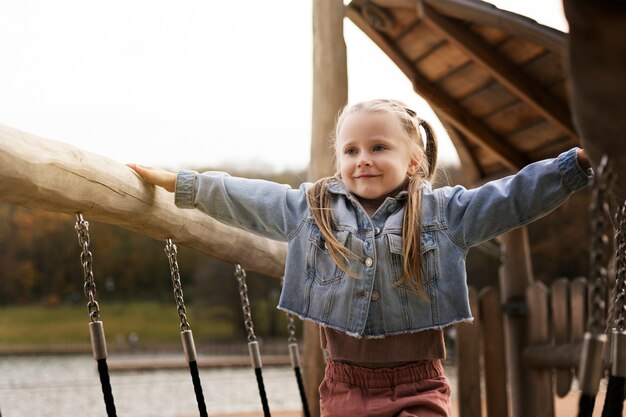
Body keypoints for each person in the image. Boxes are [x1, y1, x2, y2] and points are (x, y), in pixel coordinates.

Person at [129, 99, 592, 416]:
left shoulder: (444, 214)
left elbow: (511, 197)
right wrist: (183, 184)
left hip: (419, 385)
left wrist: (576, 164)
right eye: (350, 150)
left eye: (378, 147)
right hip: (345, 385)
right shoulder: (314, 211)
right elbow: (250, 198)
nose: (362, 159)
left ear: (413, 161)